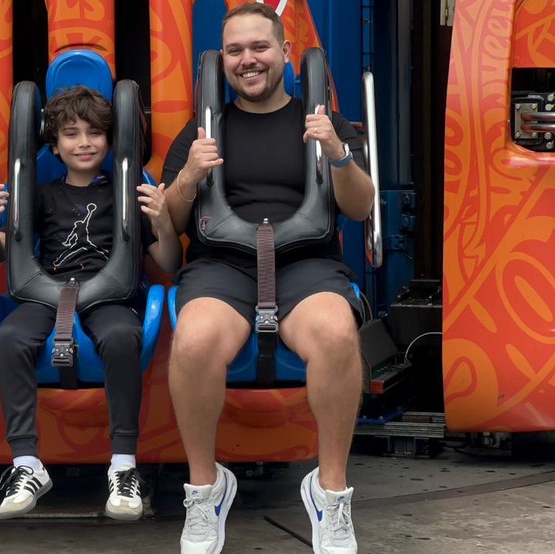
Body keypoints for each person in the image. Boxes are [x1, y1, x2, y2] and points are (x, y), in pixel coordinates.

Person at [161, 4, 374, 554]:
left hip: (306, 263)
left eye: (259, 47)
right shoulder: (203, 128)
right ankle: (206, 491)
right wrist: (188, 175)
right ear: (221, 60)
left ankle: (330, 494)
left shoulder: (321, 119)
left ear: (284, 52)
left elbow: (361, 205)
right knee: (195, 337)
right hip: (222, 265)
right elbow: (171, 224)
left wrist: (338, 154)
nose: (247, 60)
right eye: (235, 51)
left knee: (335, 332)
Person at [0, 86, 183, 521]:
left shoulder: (126, 191)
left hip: (109, 293)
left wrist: (162, 220)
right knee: (11, 337)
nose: (84, 143)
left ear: (110, 139)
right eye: (71, 134)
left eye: (94, 133)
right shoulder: (42, 193)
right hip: (49, 291)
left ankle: (124, 464)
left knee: (122, 336)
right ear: (54, 145)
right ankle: (26, 463)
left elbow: (166, 260)